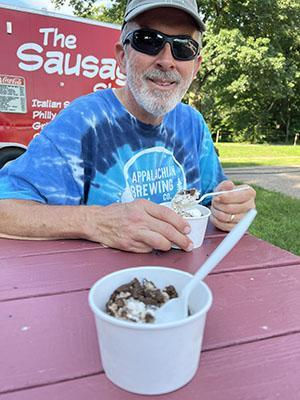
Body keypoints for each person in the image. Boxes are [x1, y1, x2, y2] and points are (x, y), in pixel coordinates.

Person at [0, 0, 256, 253]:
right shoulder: (82, 121)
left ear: (196, 66)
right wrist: (98, 222)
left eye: (183, 47)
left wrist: (231, 208)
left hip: (185, 285)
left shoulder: (193, 123)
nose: (167, 61)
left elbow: (215, 200)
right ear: (122, 57)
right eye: (148, 40)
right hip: (98, 289)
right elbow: (5, 210)